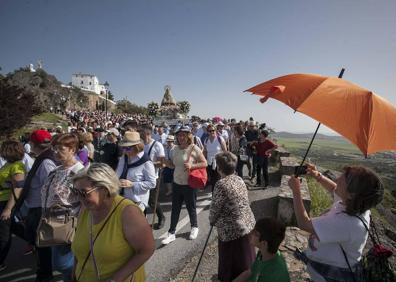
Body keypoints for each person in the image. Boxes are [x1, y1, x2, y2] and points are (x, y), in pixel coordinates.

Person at [288, 164, 384, 281]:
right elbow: (334, 189)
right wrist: (317, 175)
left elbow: (304, 223)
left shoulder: (348, 223)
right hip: (324, 267)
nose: (337, 179)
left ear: (351, 194)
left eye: (342, 179)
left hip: (328, 275)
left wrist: (296, 191)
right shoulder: (356, 205)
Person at [71, 163, 155, 282]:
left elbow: (146, 250)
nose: (79, 198)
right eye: (76, 192)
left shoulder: (128, 212)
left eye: (84, 193)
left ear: (104, 190)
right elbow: (81, 247)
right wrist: (74, 272)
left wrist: (116, 279)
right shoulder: (86, 209)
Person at [40, 133, 84, 282]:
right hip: (51, 223)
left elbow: (87, 202)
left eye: (60, 149)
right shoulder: (57, 169)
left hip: (68, 224)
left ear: (72, 149)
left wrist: (79, 225)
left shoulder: (79, 173)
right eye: (55, 149)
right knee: (61, 265)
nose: (56, 152)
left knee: (63, 264)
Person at [209, 152, 256, 282]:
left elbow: (215, 208)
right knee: (245, 257)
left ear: (219, 168)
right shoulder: (239, 178)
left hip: (232, 230)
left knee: (229, 259)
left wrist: (212, 221)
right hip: (247, 224)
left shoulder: (221, 184)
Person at [161, 126, 207, 245]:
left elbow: (204, 163)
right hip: (177, 183)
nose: (181, 137)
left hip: (189, 184)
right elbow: (173, 165)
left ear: (188, 136)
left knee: (191, 207)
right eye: (179, 135)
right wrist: (164, 162)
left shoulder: (194, 148)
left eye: (183, 135)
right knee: (175, 209)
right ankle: (171, 233)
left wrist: (192, 166)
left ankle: (194, 227)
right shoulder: (174, 149)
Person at [24, 130, 58, 281]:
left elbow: (51, 186)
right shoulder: (43, 158)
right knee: (39, 244)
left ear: (33, 144)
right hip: (37, 207)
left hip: (40, 209)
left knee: (42, 245)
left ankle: (45, 275)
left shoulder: (46, 162)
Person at [233, 217, 290, 282]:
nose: (251, 232)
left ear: (264, 243)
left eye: (256, 233)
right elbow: (249, 272)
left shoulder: (271, 275)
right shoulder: (263, 253)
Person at [0, 140, 26, 272]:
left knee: (4, 234)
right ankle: (35, 242)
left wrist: (8, 208)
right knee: (13, 229)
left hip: (6, 203)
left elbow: (17, 188)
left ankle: (1, 261)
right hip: (2, 201)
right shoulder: (9, 164)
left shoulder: (17, 166)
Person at [116, 131, 156, 213]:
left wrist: (132, 184)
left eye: (127, 148)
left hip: (137, 203)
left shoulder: (146, 162)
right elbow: (117, 174)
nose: (125, 150)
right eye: (123, 148)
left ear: (136, 147)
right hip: (122, 199)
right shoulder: (124, 158)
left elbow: (152, 183)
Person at [140, 125, 166, 229]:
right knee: (142, 200)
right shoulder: (140, 145)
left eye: (142, 135)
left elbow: (162, 163)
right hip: (141, 177)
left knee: (152, 201)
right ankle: (143, 221)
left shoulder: (157, 145)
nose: (140, 137)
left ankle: (161, 217)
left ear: (148, 134)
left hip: (153, 177)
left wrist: (148, 164)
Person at [203, 124, 227, 191]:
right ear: (207, 132)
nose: (212, 132)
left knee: (216, 179)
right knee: (212, 178)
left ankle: (215, 194)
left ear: (215, 130)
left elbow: (225, 151)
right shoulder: (206, 140)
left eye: (213, 130)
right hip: (209, 162)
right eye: (210, 131)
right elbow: (205, 151)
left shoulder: (220, 138)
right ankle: (217, 192)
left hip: (218, 162)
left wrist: (225, 161)